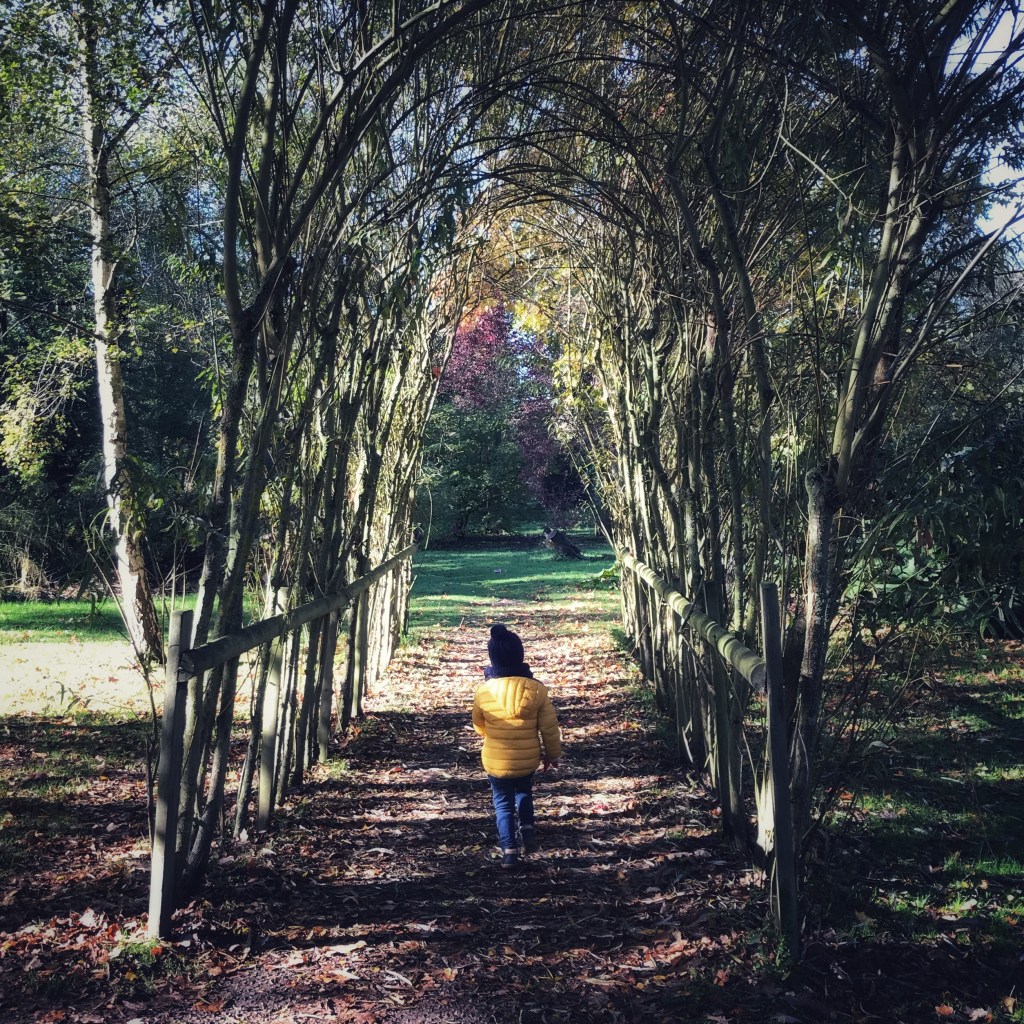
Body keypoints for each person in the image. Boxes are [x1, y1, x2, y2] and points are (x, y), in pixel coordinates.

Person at [472, 623, 561, 869]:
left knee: (502, 803)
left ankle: (509, 850)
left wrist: (491, 734)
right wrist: (552, 755)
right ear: (520, 655)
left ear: (493, 658)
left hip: (496, 760)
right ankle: (528, 830)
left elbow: (478, 725)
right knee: (524, 791)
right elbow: (549, 728)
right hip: (528, 758)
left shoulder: (484, 691)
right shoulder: (537, 690)